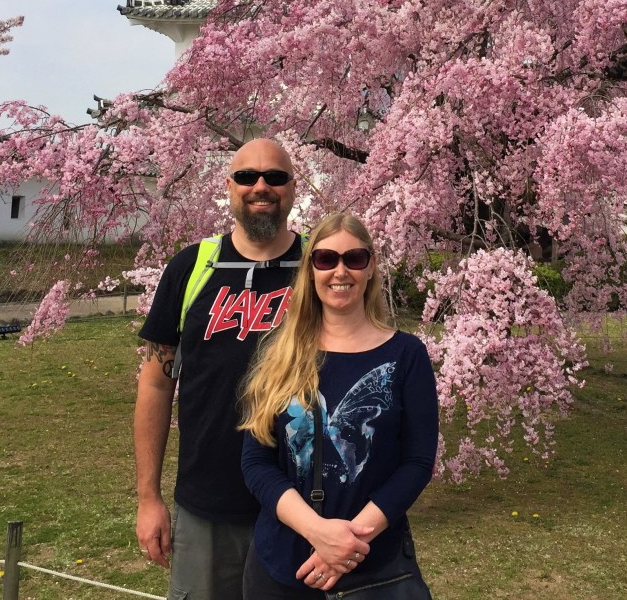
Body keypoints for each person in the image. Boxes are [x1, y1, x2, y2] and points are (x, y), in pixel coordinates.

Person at [135, 138, 304, 600]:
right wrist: (148, 497)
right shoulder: (192, 267)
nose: (261, 186)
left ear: (293, 187)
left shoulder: (321, 269)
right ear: (229, 186)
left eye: (275, 176)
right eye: (247, 176)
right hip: (207, 505)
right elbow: (155, 384)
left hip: (304, 509)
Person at [240, 212, 438, 598]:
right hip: (280, 567)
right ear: (311, 269)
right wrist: (319, 532)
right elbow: (256, 460)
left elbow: (417, 462)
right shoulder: (280, 353)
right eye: (326, 259)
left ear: (371, 267)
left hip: (371, 567)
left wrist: (348, 543)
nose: (340, 271)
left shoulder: (406, 355)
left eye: (354, 259)